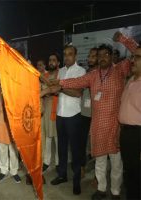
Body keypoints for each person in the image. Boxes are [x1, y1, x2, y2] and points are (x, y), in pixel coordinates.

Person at [51, 32, 138, 200]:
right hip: (97, 125)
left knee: (116, 162)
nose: (103, 57)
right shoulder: (92, 75)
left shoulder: (120, 69)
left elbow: (137, 52)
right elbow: (77, 82)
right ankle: (101, 189)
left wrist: (122, 39)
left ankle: (115, 192)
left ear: (112, 56)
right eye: (100, 55)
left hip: (114, 126)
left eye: (106, 54)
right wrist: (60, 82)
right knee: (99, 159)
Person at [50, 45, 86, 195]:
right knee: (62, 148)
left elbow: (78, 93)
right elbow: (56, 90)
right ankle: (62, 175)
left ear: (75, 56)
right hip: (60, 115)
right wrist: (51, 88)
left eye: (70, 54)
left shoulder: (81, 72)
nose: (67, 57)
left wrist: (60, 88)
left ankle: (76, 180)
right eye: (65, 55)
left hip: (74, 116)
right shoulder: (62, 71)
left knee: (76, 150)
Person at [0, 59, 21, 183]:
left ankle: (14, 171)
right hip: (1, 121)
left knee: (13, 148)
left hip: (12, 121)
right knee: (2, 147)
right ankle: (3, 170)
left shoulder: (15, 85)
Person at [118, 45, 141, 200]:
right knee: (129, 175)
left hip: (138, 136)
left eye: (138, 57)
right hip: (126, 134)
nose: (133, 60)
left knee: (138, 176)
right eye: (133, 57)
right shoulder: (131, 80)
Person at [80, 47, 98, 178]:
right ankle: (82, 167)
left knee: (96, 145)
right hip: (84, 114)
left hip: (98, 115)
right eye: (89, 56)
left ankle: (98, 176)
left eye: (93, 56)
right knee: (82, 143)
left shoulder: (103, 74)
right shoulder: (85, 73)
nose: (90, 59)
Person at [41, 53, 60, 172]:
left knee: (58, 139)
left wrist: (49, 89)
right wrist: (50, 89)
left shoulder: (61, 74)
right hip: (46, 109)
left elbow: (56, 90)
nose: (51, 62)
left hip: (58, 110)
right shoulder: (45, 75)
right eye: (50, 60)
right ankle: (46, 161)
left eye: (54, 60)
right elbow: (44, 90)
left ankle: (58, 163)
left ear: (58, 63)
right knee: (47, 137)